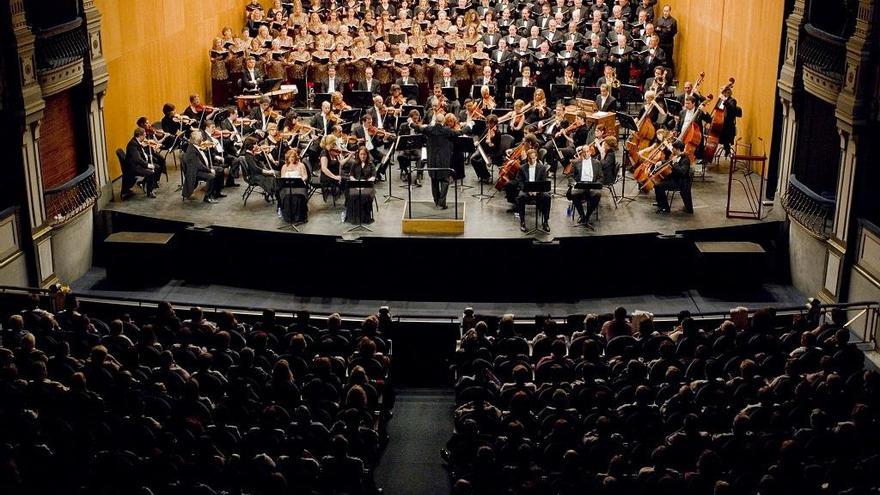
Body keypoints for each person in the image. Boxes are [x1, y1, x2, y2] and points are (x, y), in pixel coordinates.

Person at [413, 113, 469, 209]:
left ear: (435, 121)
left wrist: (410, 122)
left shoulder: (429, 129)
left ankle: (436, 201)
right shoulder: (446, 130)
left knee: (434, 180)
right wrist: (468, 126)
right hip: (443, 159)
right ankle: (441, 203)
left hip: (431, 159)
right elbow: (459, 133)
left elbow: (418, 128)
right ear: (443, 121)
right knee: (445, 180)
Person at [567, 140, 604, 227]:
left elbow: (601, 177)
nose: (586, 153)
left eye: (588, 151)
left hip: (592, 185)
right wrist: (574, 183)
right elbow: (570, 176)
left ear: (590, 152)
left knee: (598, 194)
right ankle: (582, 215)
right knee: (573, 193)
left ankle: (587, 216)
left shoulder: (597, 163)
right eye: (584, 151)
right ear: (582, 152)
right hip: (580, 184)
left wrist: (596, 185)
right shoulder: (576, 162)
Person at [183, 130, 225, 202]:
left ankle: (217, 192)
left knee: (220, 170)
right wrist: (210, 170)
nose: (203, 139)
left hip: (203, 167)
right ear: (197, 140)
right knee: (211, 177)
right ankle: (208, 197)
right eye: (201, 138)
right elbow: (199, 166)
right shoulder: (192, 151)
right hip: (195, 171)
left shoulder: (195, 146)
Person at [515, 148, 551, 232]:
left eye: (533, 158)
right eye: (530, 158)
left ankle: (545, 222)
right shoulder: (522, 168)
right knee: (520, 197)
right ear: (527, 158)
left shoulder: (542, 168)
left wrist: (537, 191)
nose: (532, 160)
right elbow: (519, 181)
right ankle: (522, 222)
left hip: (538, 191)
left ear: (536, 157)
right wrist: (527, 190)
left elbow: (543, 182)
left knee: (547, 197)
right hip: (526, 191)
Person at [653, 140, 693, 213]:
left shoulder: (685, 159)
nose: (672, 149)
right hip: (674, 178)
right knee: (656, 183)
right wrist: (661, 162)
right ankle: (661, 203)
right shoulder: (676, 156)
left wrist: (675, 163)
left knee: (659, 186)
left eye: (673, 148)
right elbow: (669, 162)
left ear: (677, 149)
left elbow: (682, 172)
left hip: (680, 182)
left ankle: (665, 208)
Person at [122, 128, 160, 200]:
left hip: (138, 165)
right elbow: (137, 159)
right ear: (140, 135)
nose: (145, 137)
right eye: (144, 136)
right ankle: (150, 192)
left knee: (157, 167)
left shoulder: (137, 142)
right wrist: (148, 165)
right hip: (134, 167)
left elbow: (142, 154)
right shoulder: (133, 145)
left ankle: (146, 183)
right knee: (151, 172)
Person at [344, 147, 376, 224]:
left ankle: (364, 217)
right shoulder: (354, 164)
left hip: (367, 185)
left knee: (365, 196)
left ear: (367, 155)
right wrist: (355, 182)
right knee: (352, 195)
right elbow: (351, 175)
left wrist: (366, 182)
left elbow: (373, 176)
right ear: (358, 155)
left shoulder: (371, 164)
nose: (362, 156)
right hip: (356, 185)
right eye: (361, 154)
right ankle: (355, 217)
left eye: (364, 154)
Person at [278, 148, 309, 223]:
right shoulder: (284, 166)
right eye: (290, 157)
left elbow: (305, 176)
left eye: (293, 157)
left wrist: (301, 180)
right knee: (286, 195)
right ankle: (289, 217)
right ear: (287, 158)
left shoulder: (301, 165)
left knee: (297, 196)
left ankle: (298, 217)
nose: (291, 159)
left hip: (299, 185)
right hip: (288, 186)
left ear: (296, 157)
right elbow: (282, 177)